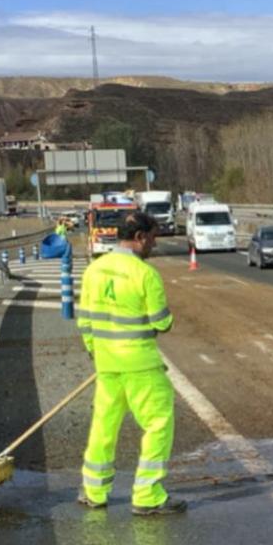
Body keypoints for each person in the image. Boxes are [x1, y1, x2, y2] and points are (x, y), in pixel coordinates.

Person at [76, 210, 185, 515]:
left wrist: (95, 350)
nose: (154, 245)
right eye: (152, 238)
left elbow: (84, 321)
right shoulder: (145, 275)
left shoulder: (94, 271)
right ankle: (148, 495)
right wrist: (166, 321)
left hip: (107, 364)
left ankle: (94, 491)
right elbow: (161, 323)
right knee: (158, 424)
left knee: (103, 426)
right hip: (141, 366)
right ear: (139, 238)